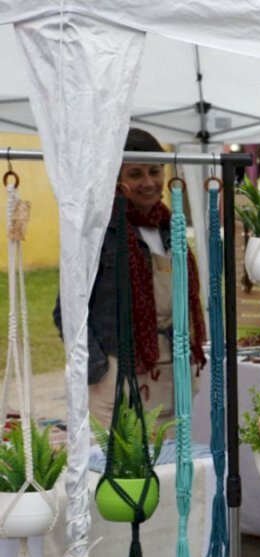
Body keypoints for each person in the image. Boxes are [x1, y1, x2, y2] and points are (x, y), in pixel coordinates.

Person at [53, 127, 206, 429]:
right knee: (118, 468)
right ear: (116, 179)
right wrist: (99, 369)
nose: (149, 183)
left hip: (171, 368)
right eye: (136, 174)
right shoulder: (96, 232)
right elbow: (66, 311)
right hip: (116, 372)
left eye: (154, 171)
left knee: (172, 467)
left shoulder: (170, 226)